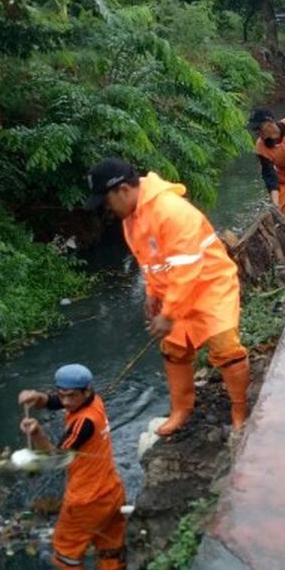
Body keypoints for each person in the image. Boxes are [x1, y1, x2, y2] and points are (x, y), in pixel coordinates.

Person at [83, 157, 250, 436]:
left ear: (123, 190)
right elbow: (149, 259)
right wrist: (151, 292)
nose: (106, 209)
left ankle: (239, 411)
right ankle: (181, 409)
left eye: (106, 201)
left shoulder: (171, 211)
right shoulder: (131, 217)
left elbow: (186, 270)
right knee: (173, 351)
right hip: (174, 291)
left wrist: (168, 314)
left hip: (210, 286)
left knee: (226, 349)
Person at [19, 364, 126, 570]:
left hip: (87, 500)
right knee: (111, 549)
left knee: (64, 553)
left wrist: (37, 433)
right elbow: (57, 402)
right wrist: (39, 398)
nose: (65, 401)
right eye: (62, 394)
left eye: (71, 396)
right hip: (111, 491)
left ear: (86, 391)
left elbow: (58, 460)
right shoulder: (94, 402)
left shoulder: (83, 424)